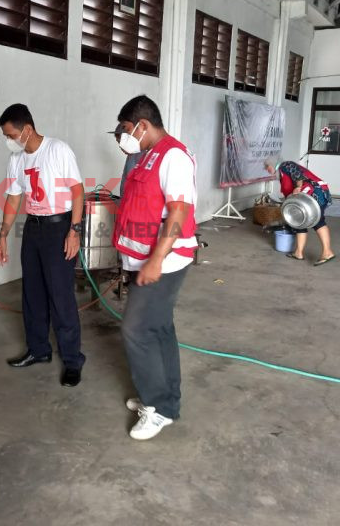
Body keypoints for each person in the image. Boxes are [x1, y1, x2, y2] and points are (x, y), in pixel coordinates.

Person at [112, 95, 198, 441]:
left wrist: (156, 260)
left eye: (127, 129)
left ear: (142, 126)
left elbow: (177, 213)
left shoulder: (173, 156)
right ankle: (167, 399)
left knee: (135, 330)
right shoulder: (146, 156)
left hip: (166, 260)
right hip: (143, 258)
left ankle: (158, 407)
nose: (125, 136)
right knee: (159, 328)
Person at [0, 103, 85, 387]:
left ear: (28, 129)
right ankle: (38, 350)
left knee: (61, 297)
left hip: (59, 229)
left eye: (11, 135)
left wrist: (74, 230)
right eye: (6, 137)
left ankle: (72, 360)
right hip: (33, 230)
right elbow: (13, 199)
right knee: (32, 294)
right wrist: (3, 235)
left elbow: (77, 191)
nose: (9, 141)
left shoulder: (58, 150)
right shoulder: (17, 160)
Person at [265, 159, 335, 265]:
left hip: (316, 192)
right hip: (307, 195)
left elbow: (297, 174)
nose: (268, 170)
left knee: (318, 221)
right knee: (298, 221)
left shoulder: (286, 165)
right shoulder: (282, 176)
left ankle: (327, 252)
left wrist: (298, 187)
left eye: (268, 167)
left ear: (274, 164)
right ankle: (298, 253)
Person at [109, 122, 145, 197]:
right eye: (118, 142)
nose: (120, 146)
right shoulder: (131, 156)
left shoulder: (143, 155)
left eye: (120, 142)